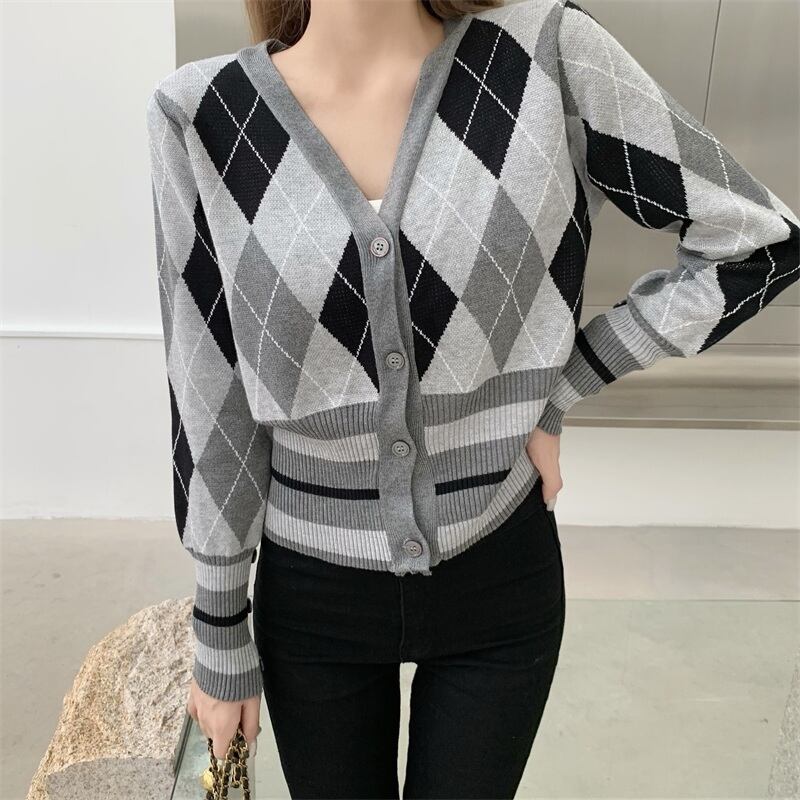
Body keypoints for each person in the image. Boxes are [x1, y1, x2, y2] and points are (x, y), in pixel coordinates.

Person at [145, 0, 799, 796]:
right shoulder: (200, 116)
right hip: (311, 601)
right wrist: (219, 627)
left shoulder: (546, 58)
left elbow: (757, 240)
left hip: (501, 577)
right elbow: (207, 384)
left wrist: (565, 383)